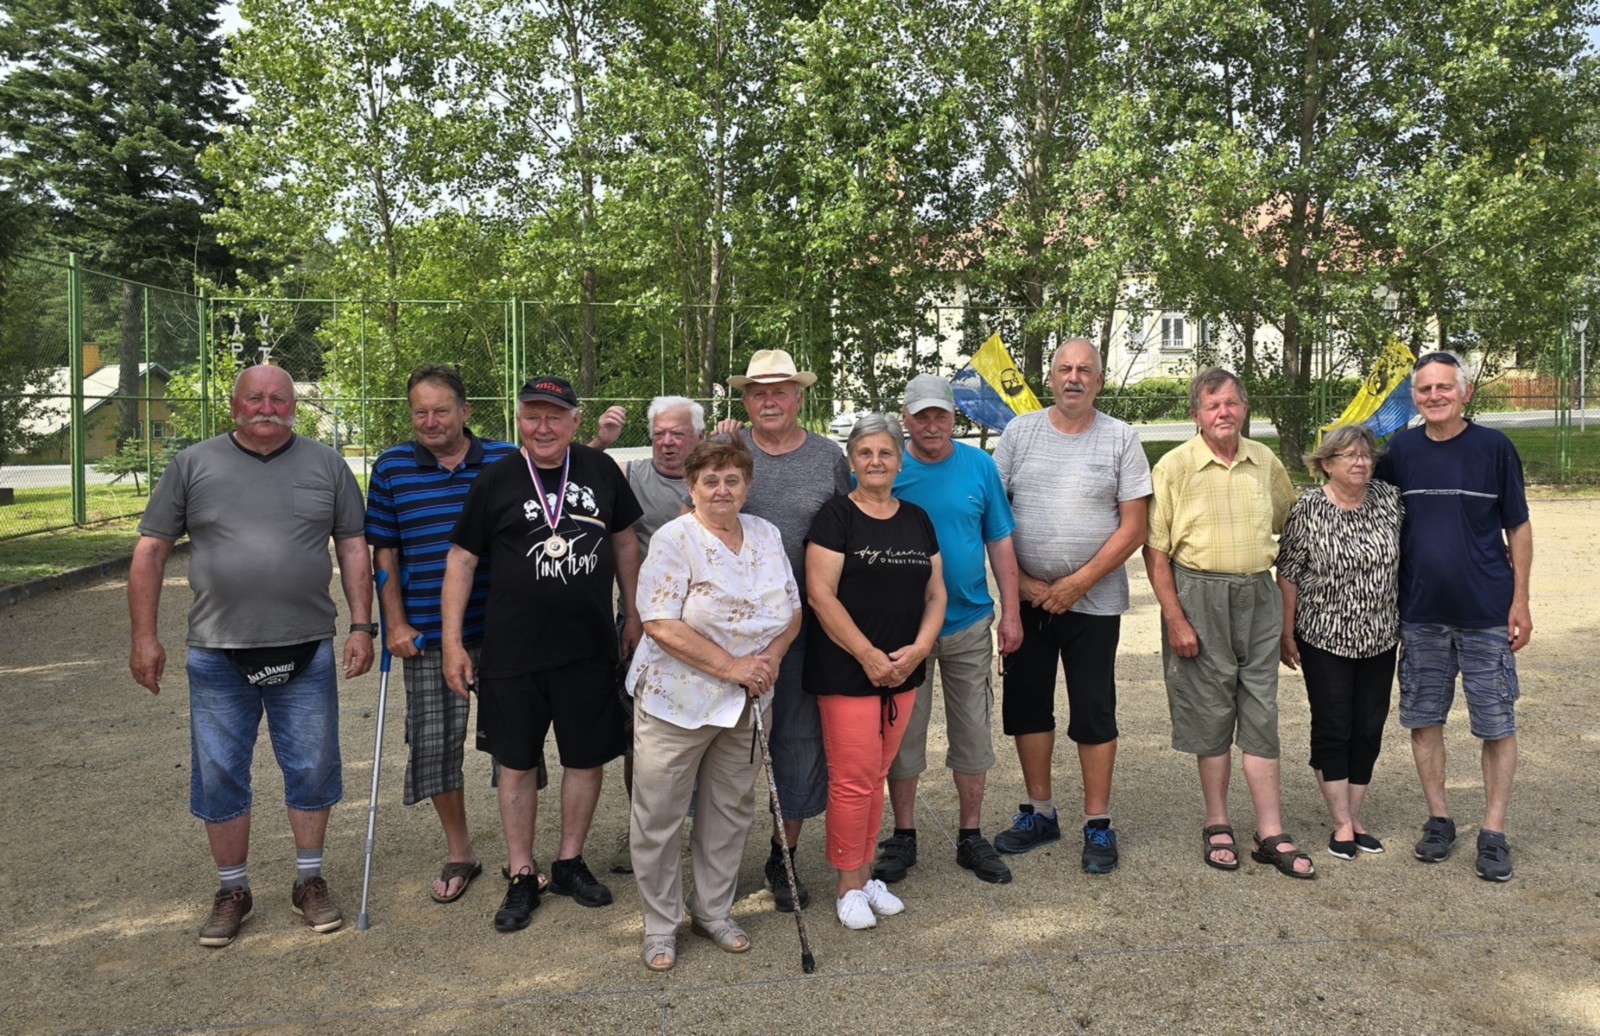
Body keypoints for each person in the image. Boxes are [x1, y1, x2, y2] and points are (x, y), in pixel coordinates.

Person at [127, 364, 374, 947]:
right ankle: (231, 889)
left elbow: (353, 547)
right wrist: (143, 636)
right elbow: (151, 551)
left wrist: (361, 625)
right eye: (255, 397)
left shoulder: (327, 466)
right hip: (217, 650)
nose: (267, 407)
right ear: (234, 404)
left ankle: (309, 880)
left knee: (312, 766)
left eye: (279, 398)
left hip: (306, 645)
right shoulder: (193, 464)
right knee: (218, 772)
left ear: (294, 406)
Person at [442, 375, 644, 931]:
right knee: (516, 764)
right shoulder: (496, 477)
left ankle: (569, 862)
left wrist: (633, 614)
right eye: (532, 415)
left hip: (587, 647)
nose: (543, 426)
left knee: (585, 758)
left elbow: (625, 542)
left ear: (576, 421)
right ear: (518, 420)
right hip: (513, 650)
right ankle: (521, 872)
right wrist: (453, 642)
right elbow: (461, 559)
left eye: (555, 415)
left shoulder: (601, 470)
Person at [365, 363, 554, 904]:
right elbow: (384, 551)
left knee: (515, 746)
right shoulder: (392, 467)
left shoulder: (506, 458)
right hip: (427, 633)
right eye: (420, 412)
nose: (430, 421)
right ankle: (460, 850)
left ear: (465, 411)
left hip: (505, 632)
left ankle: (521, 854)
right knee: (434, 745)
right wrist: (394, 623)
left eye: (441, 410)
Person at [626, 437, 801, 970]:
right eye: (710, 480)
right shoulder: (673, 539)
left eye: (732, 480)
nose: (722, 490)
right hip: (678, 701)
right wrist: (731, 667)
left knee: (730, 808)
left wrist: (770, 659)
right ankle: (660, 924)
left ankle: (713, 910)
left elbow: (793, 609)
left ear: (747, 485)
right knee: (659, 815)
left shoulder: (766, 533)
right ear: (692, 485)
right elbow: (659, 623)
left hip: (749, 699)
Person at [989, 339, 1152, 873]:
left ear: (1099, 381)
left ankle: (1098, 823)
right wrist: (1024, 585)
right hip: (1028, 600)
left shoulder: (1121, 438)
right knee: (1027, 705)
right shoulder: (1019, 433)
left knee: (1093, 709)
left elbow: (1134, 527)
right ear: (1051, 377)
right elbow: (993, 515)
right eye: (1065, 368)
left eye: (1085, 369)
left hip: (1094, 603)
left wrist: (1077, 583)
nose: (1074, 377)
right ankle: (1040, 812)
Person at [1143, 367, 1313, 879]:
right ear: (1196, 414)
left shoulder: (1265, 462)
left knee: (1261, 709)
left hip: (1257, 594)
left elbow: (1291, 525)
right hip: (1198, 596)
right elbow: (1156, 553)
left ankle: (1270, 830)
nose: (1223, 412)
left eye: (1232, 403)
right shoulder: (1174, 467)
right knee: (1210, 711)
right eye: (1212, 405)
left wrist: (1286, 620)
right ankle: (1217, 821)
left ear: (1245, 409)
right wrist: (1176, 619)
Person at [1374, 350, 1532, 882]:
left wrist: (1520, 600)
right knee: (1424, 719)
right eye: (1425, 389)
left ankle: (1493, 831)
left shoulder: (1494, 448)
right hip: (1420, 612)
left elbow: (1518, 526)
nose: (1435, 396)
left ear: (1464, 392)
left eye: (1444, 387)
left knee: (1495, 723)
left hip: (1486, 611)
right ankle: (1439, 819)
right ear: (1414, 397)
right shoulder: (1400, 451)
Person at [715, 349, 851, 911]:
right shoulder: (726, 449)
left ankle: (783, 854)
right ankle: (716, 862)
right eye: (757, 392)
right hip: (724, 630)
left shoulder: (827, 457)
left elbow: (849, 528)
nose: (768, 401)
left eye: (779, 391)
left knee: (795, 739)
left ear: (798, 397)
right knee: (719, 742)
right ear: (745, 400)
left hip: (801, 627)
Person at [873, 374, 1022, 887]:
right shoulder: (887, 466)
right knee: (903, 734)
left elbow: (999, 539)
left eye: (940, 414)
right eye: (921, 416)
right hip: (902, 628)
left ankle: (971, 833)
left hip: (968, 621)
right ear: (905, 418)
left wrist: (1012, 612)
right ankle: (903, 834)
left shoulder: (979, 466)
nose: (931, 425)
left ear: (953, 416)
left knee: (973, 732)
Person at [805, 413, 946, 929]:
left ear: (900, 460)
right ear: (852, 461)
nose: (875, 461)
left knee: (877, 776)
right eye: (865, 453)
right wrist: (867, 655)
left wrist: (920, 649)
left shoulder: (917, 518)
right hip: (848, 671)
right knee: (852, 780)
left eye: (885, 452)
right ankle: (847, 885)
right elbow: (820, 595)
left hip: (903, 670)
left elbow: (936, 593)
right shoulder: (836, 516)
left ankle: (865, 877)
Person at [1277, 423, 1402, 859]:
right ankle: (1340, 822)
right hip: (1323, 636)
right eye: (1349, 455)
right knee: (1334, 725)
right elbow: (1288, 573)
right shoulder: (1309, 508)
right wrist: (1286, 632)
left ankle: (1355, 814)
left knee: (1369, 726)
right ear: (1326, 464)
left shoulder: (1389, 499)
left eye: (1365, 455)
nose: (1360, 462)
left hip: (1380, 635)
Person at [607, 395, 705, 874]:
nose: (667, 442)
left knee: (708, 733)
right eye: (659, 434)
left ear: (699, 437)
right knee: (641, 737)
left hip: (706, 630)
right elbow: (563, 471)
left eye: (678, 434)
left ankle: (702, 836)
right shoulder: (629, 476)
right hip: (643, 625)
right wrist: (599, 440)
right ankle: (642, 831)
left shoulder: (715, 477)